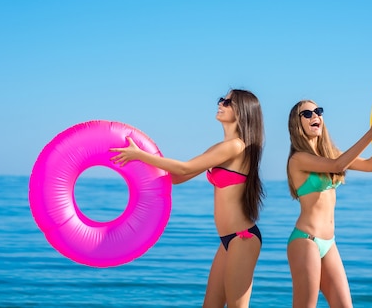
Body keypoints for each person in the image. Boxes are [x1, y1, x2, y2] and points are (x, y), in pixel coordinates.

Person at [110, 89, 265, 308]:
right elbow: (178, 177)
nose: (220, 103)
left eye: (227, 102)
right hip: (227, 240)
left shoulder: (236, 146)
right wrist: (140, 166)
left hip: (243, 239)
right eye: (221, 99)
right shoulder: (219, 148)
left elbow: (186, 167)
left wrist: (140, 155)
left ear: (242, 111)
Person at [285, 100, 372, 308]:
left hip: (329, 243)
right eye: (307, 113)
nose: (315, 116)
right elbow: (338, 165)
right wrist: (371, 133)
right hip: (305, 241)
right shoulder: (298, 159)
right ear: (296, 123)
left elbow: (370, 165)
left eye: (318, 111)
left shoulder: (330, 153)